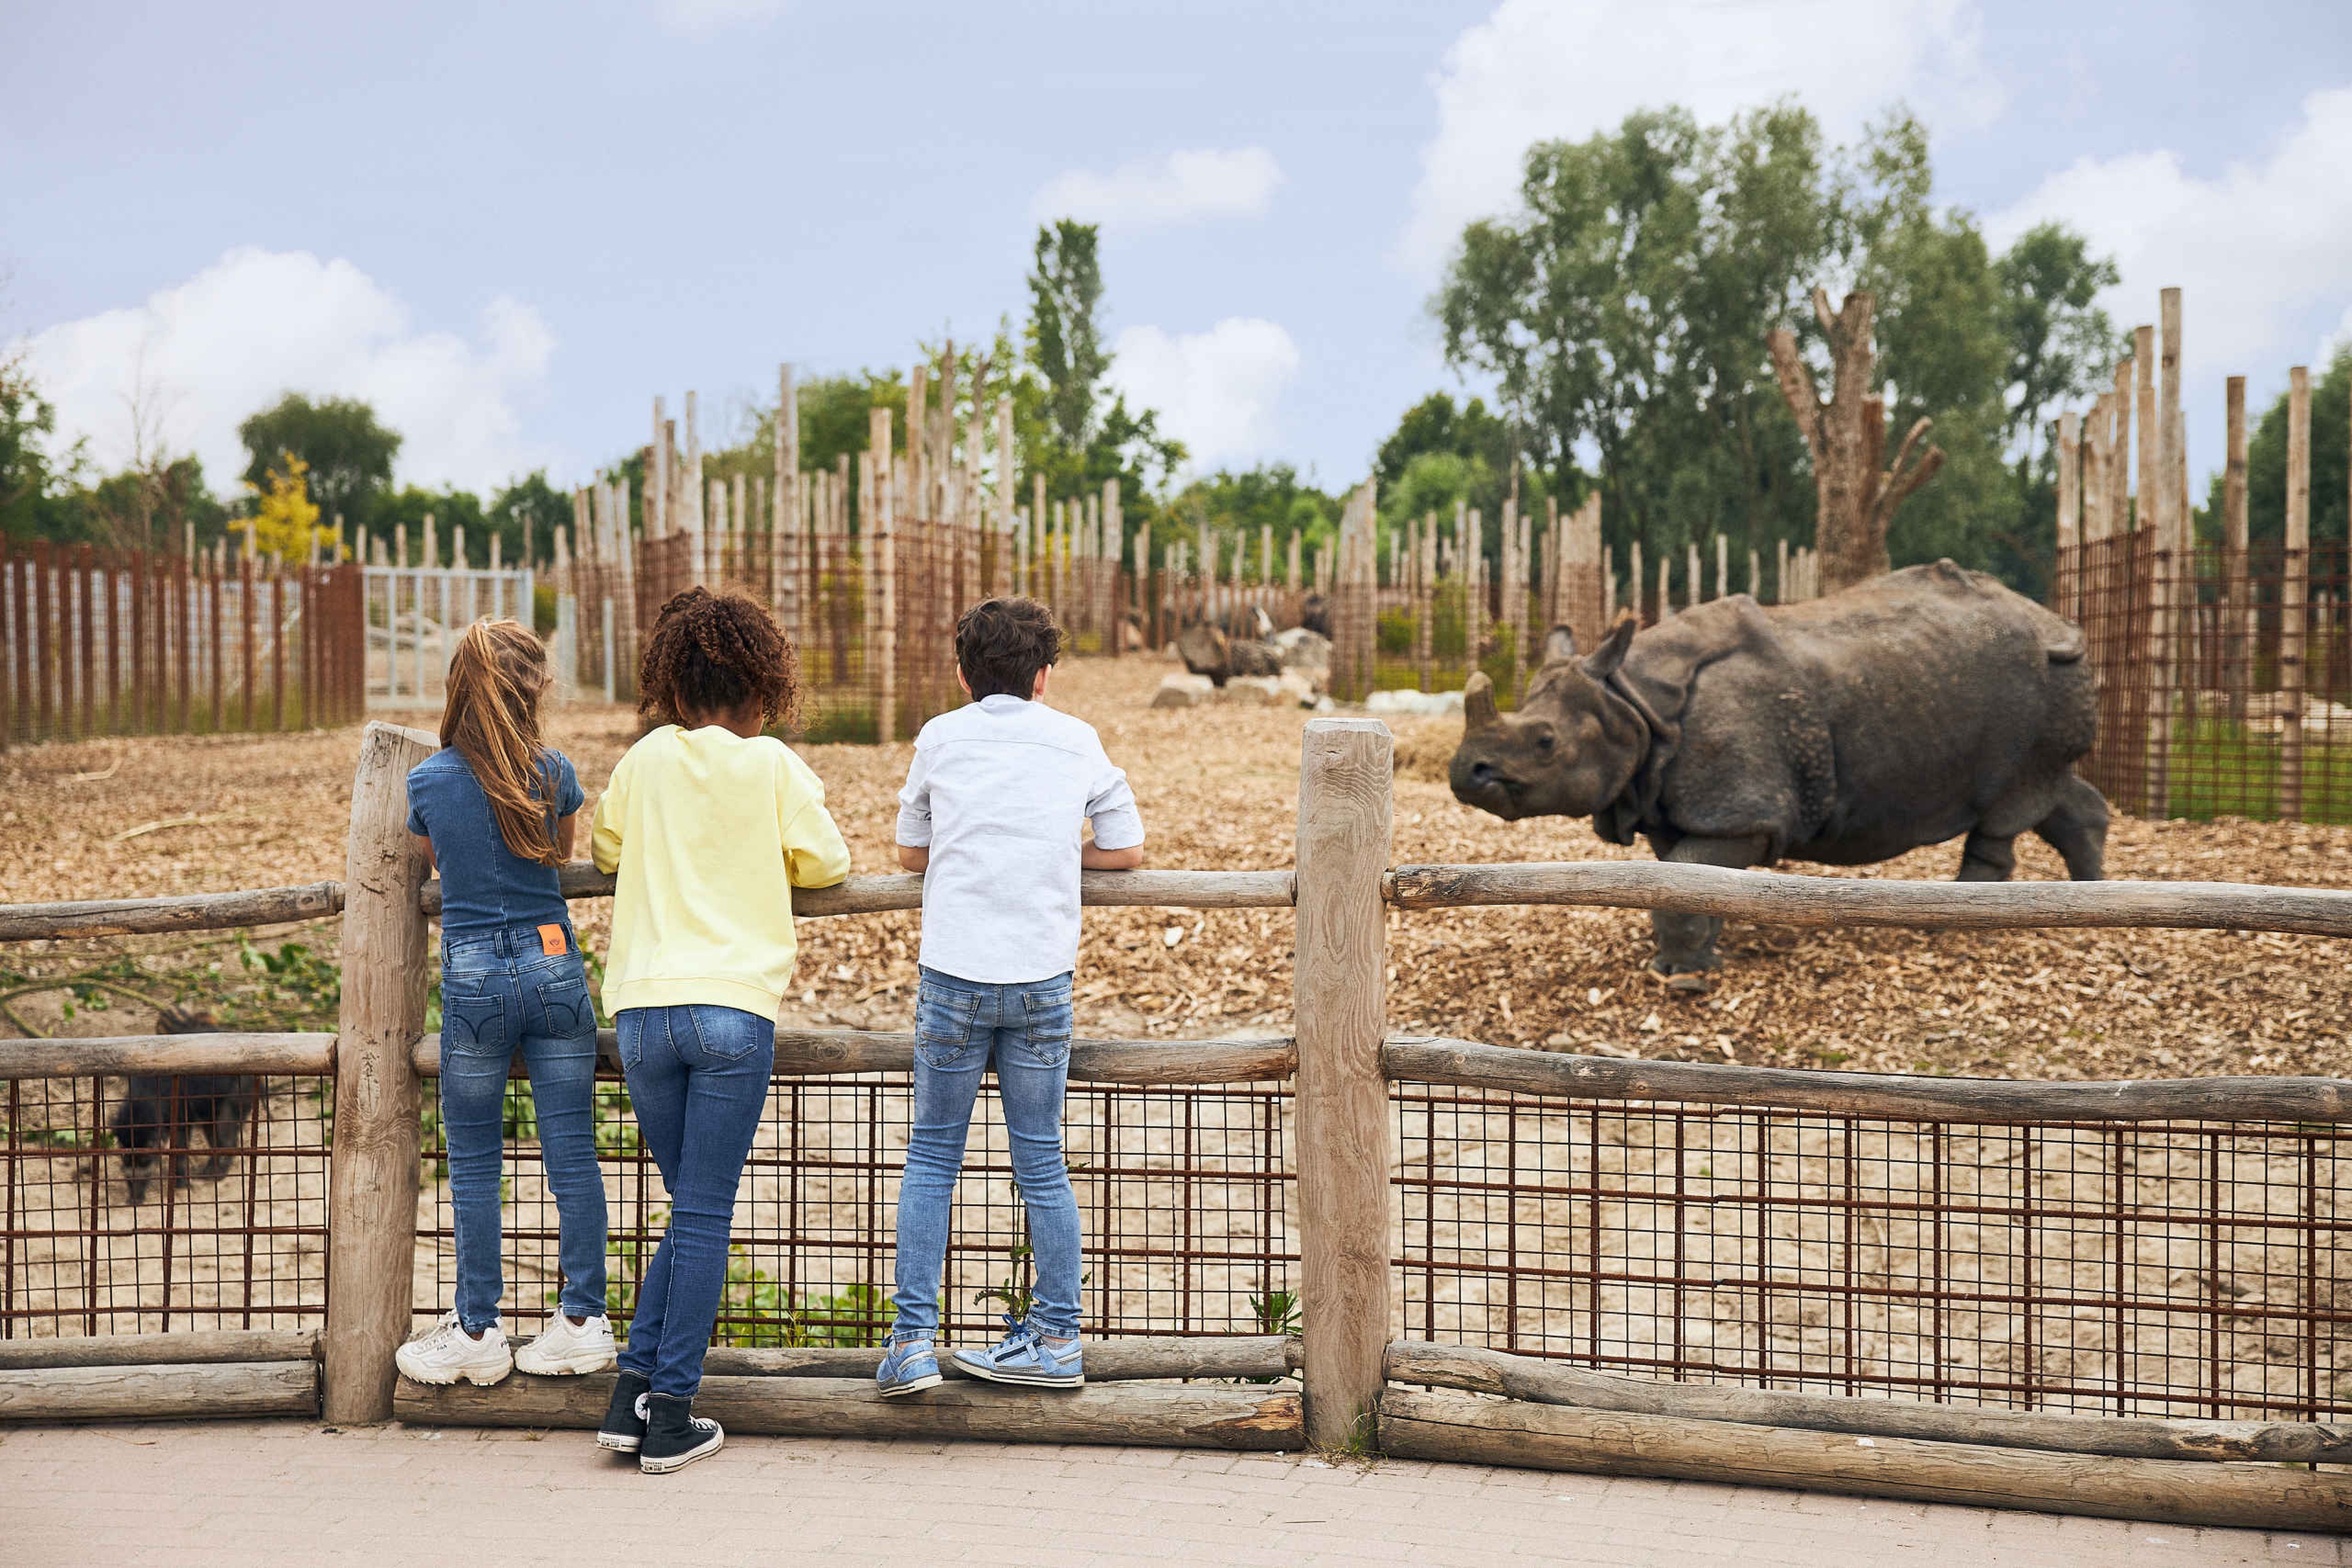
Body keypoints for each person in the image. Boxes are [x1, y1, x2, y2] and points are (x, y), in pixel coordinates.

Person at [590, 587, 850, 1475]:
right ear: (762, 685)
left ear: (673, 682)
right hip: (734, 1008)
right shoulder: (772, 766)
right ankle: (670, 1413)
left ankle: (631, 1395)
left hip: (643, 1013)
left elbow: (606, 854)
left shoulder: (642, 761)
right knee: (701, 1217)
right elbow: (830, 862)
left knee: (687, 1214)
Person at [875, 597, 1144, 1400]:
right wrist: (1065, 854)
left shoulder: (939, 737)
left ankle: (914, 1344)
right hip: (1041, 977)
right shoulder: (1076, 740)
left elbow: (909, 849)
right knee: (1041, 1160)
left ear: (962, 674)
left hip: (954, 973)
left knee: (930, 1158)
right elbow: (1127, 849)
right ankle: (1058, 1338)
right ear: (1045, 676)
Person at [396, 620, 613, 1388]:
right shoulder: (554, 773)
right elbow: (557, 852)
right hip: (556, 963)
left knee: (478, 1162)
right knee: (573, 1156)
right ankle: (584, 1318)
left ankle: (480, 1329)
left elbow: (438, 866)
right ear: (536, 691)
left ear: (459, 688)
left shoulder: (428, 782)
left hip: (477, 972)